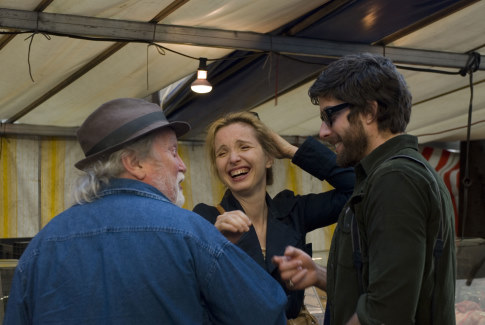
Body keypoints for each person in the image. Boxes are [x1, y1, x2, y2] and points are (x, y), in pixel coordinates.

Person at [4, 98, 287, 325]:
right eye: (173, 152)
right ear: (134, 163)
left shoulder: (41, 246)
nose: (182, 166)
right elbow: (267, 312)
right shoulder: (191, 232)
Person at [273, 53, 457, 325]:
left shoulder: (396, 179)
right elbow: (382, 283)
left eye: (330, 116)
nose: (323, 131)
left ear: (370, 112)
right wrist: (320, 275)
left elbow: (386, 312)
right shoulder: (390, 175)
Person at [193, 111, 355, 322]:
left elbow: (356, 186)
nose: (233, 158)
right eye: (222, 153)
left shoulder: (292, 210)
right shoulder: (207, 219)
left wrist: (291, 151)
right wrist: (214, 242)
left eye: (244, 147)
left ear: (269, 157)